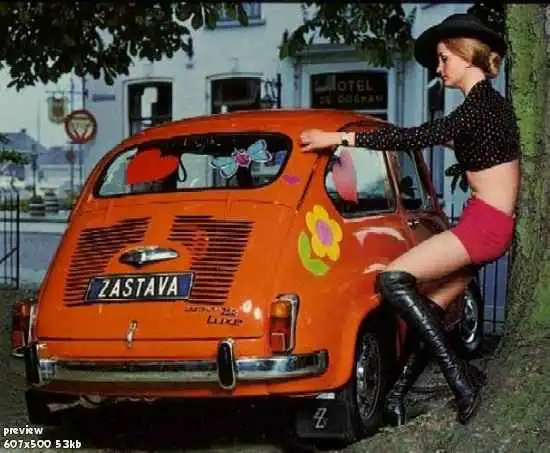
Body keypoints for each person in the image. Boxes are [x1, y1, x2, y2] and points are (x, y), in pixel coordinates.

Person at [300, 13, 520, 426]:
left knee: (392, 280)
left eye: (444, 58)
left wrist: (338, 138)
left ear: (466, 55)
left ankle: (461, 381)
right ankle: (397, 397)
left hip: (485, 226)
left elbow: (411, 138)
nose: (439, 68)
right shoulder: (488, 108)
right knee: (430, 309)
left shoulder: (479, 107)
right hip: (487, 223)